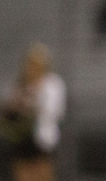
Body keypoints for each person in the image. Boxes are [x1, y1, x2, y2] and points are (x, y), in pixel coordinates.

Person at [0, 43, 66, 181]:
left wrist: (32, 103)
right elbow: (9, 111)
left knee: (43, 174)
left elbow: (54, 111)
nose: (31, 68)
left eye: (35, 64)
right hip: (22, 139)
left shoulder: (52, 84)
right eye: (29, 64)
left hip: (43, 140)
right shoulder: (21, 84)